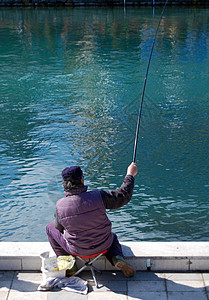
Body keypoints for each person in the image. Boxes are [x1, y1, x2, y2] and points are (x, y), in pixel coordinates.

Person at [46, 162, 137, 277]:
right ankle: (116, 257)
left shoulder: (60, 206)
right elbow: (123, 196)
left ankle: (68, 265)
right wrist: (130, 175)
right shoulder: (99, 196)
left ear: (64, 184)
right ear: (81, 180)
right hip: (104, 245)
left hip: (78, 250)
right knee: (112, 236)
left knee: (50, 227)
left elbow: (59, 228)